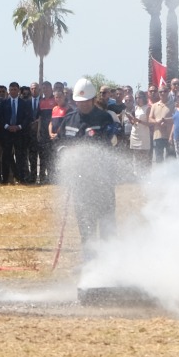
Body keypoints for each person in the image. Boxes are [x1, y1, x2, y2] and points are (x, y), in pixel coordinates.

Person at [55, 78, 121, 245]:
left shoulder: (104, 118)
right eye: (79, 102)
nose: (82, 105)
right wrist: (64, 153)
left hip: (102, 181)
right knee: (85, 224)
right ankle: (89, 262)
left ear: (92, 100)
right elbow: (59, 143)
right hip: (80, 183)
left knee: (106, 224)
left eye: (85, 101)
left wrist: (111, 137)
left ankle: (110, 261)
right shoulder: (69, 119)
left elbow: (112, 142)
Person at [0, 81, 33, 184]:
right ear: (9, 91)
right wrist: (7, 126)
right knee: (6, 156)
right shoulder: (4, 103)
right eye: (11, 89)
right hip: (6, 133)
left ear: (18, 90)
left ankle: (21, 178)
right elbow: (0, 117)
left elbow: (28, 117)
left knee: (20, 156)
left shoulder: (24, 103)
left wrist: (19, 127)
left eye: (15, 89)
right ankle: (5, 179)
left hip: (20, 133)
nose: (13, 91)